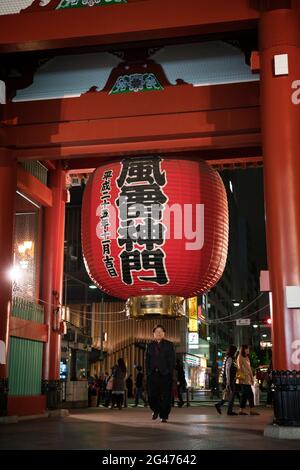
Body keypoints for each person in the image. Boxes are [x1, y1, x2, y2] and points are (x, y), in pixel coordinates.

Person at [145, 324, 176, 423]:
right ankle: (156, 410)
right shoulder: (149, 345)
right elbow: (147, 360)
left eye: (160, 331)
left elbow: (172, 360)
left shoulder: (169, 344)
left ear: (164, 333)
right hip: (153, 374)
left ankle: (164, 415)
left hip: (165, 375)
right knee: (151, 396)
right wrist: (148, 372)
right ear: (153, 334)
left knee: (166, 396)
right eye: (156, 332)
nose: (158, 333)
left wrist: (168, 371)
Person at [215, 345, 238, 416]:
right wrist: (228, 382)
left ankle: (219, 405)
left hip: (230, 379)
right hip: (229, 379)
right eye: (235, 351)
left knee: (229, 394)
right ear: (233, 351)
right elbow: (227, 370)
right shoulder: (230, 358)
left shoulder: (229, 358)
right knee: (232, 394)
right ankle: (229, 410)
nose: (235, 352)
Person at [236, 344, 260, 415]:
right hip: (244, 378)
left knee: (246, 395)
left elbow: (249, 369)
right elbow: (239, 368)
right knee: (249, 394)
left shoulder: (246, 357)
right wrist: (240, 378)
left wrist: (252, 378)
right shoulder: (240, 357)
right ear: (244, 349)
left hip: (248, 378)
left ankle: (243, 410)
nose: (248, 350)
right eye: (247, 349)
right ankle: (249, 410)